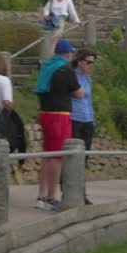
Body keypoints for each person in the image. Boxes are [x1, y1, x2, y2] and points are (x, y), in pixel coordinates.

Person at [35, 39, 83, 211]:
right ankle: (50, 197)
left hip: (45, 113)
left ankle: (41, 195)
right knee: (57, 157)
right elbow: (79, 93)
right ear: (69, 54)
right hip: (60, 115)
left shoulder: (47, 67)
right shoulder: (66, 70)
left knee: (47, 155)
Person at [70, 49, 97, 204]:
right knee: (74, 157)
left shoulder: (87, 78)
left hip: (87, 120)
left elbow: (89, 100)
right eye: (88, 62)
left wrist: (92, 119)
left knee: (84, 158)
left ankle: (82, 192)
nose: (90, 65)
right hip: (75, 119)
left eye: (92, 62)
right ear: (80, 61)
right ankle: (73, 192)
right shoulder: (72, 75)